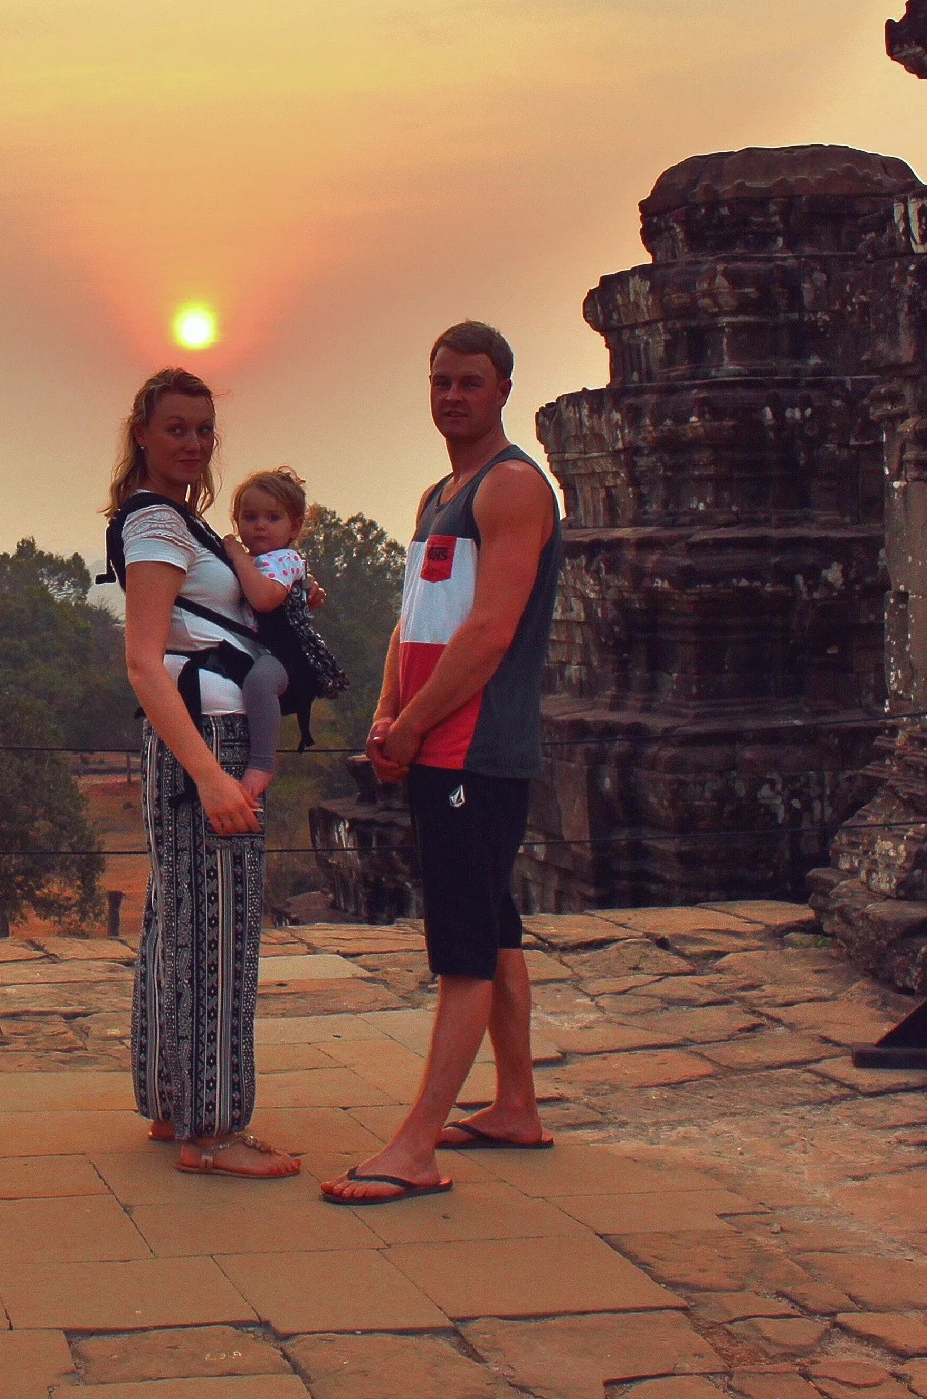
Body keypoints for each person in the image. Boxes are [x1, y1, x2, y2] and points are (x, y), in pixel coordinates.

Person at [322, 321, 562, 1207]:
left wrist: (418, 726)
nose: (452, 396)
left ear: (502, 391)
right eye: (440, 382)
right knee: (492, 928)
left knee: (462, 948)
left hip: (475, 748)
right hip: (431, 739)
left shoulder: (511, 490)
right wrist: (387, 715)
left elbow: (491, 631)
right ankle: (517, 1107)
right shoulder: (440, 494)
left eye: (469, 382)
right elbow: (415, 620)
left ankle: (416, 1144)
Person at [107, 367, 300, 1179]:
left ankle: (171, 1104)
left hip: (194, 737)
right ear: (144, 434)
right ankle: (212, 1130)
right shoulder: (157, 526)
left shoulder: (175, 521)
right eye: (177, 428)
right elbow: (146, 664)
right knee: (216, 933)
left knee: (177, 920)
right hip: (207, 740)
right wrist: (218, 779)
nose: (192, 442)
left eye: (203, 429)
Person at [223, 466, 348, 806]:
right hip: (265, 649)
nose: (259, 525)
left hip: (288, 655)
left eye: (272, 517)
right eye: (249, 517)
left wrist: (237, 557)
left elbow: (265, 598)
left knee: (259, 683)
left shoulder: (282, 558)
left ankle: (262, 764)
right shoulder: (262, 560)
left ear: (294, 527)